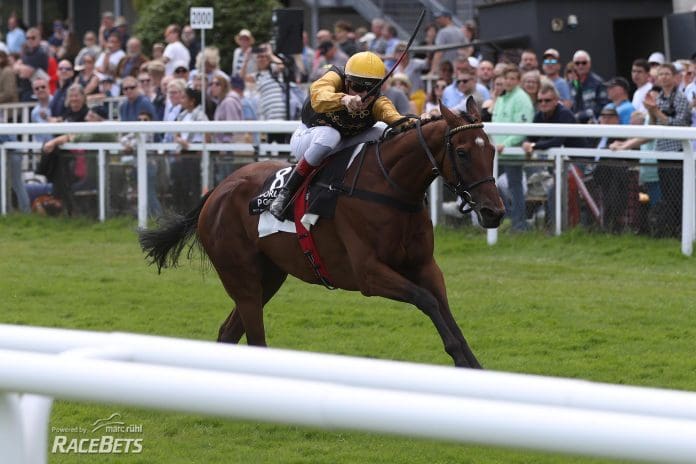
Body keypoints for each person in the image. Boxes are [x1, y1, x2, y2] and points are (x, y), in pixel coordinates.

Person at [269, 51, 424, 220]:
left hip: (342, 145)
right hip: (308, 139)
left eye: (371, 89)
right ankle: (285, 194)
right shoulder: (334, 77)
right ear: (347, 81)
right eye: (357, 87)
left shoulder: (379, 102)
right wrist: (344, 99)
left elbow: (396, 119)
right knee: (331, 135)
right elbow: (317, 96)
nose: (363, 95)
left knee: (381, 130)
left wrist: (420, 122)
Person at [643, 63, 691, 236]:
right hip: (662, 151)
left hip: (677, 151)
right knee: (667, 194)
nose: (663, 77)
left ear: (674, 77)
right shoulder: (658, 98)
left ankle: (683, 229)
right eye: (660, 74)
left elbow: (678, 124)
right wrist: (651, 111)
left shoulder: (680, 98)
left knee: (678, 193)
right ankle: (671, 229)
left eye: (667, 74)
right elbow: (652, 125)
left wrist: (656, 111)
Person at [492, 65, 535, 232]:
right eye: (506, 78)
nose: (508, 81)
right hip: (498, 152)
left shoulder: (521, 98)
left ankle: (519, 225)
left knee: (514, 187)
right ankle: (511, 217)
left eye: (512, 78)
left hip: (511, 152)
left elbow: (523, 127)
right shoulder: (502, 98)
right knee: (489, 184)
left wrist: (507, 144)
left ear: (518, 81)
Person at [0, 49, 30, 213]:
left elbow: (9, 93)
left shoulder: (7, 71)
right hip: (5, 126)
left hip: (10, 122)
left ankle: (25, 211)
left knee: (16, 180)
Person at [569, 50, 608, 122]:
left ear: (589, 64)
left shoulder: (598, 82)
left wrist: (583, 115)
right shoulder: (571, 84)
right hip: (575, 124)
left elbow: (603, 105)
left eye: (584, 63)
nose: (580, 66)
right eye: (577, 63)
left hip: (592, 123)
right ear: (574, 65)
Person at [430, 10, 466, 76]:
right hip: (458, 70)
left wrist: (433, 71)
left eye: (440, 18)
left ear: (447, 18)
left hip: (445, 70)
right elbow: (468, 48)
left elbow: (439, 53)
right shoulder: (459, 31)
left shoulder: (443, 32)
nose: (438, 20)